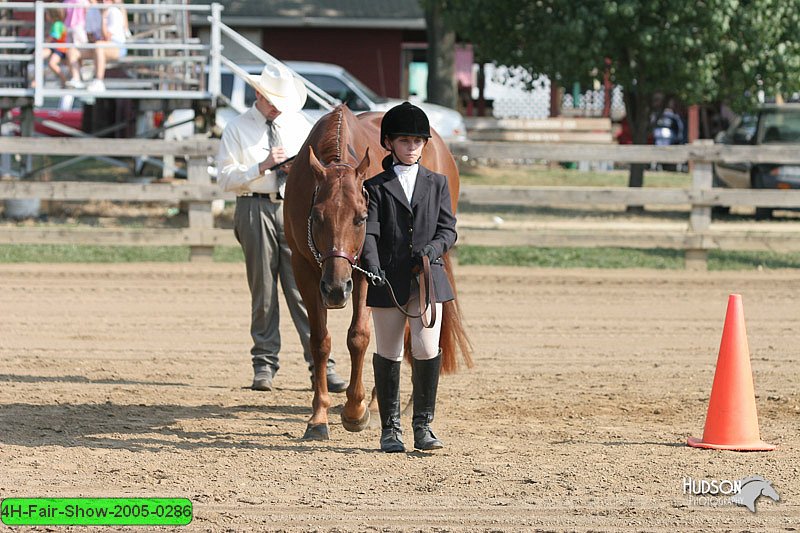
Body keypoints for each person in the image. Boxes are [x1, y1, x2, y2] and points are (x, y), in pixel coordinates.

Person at [216, 62, 347, 393]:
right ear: (258, 94)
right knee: (263, 290)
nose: (277, 107)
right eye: (272, 100)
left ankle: (321, 362)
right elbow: (225, 179)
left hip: (294, 208)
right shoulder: (236, 128)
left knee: (303, 289)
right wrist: (262, 166)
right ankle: (264, 363)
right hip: (254, 206)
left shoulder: (299, 125)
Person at [361, 102, 457, 453]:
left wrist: (432, 250)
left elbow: (449, 230)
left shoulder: (438, 183)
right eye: (404, 141)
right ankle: (390, 429)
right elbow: (369, 233)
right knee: (388, 351)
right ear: (389, 143)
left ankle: (423, 425)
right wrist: (373, 266)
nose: (411, 147)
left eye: (417, 141)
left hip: (427, 277)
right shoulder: (375, 186)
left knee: (427, 347)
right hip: (387, 277)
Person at [67, 0, 126, 92]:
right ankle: (76, 79)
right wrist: (95, 41)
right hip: (96, 45)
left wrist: (103, 17)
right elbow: (89, 35)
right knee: (72, 50)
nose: (103, 2)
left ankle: (99, 81)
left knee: (99, 46)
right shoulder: (91, 11)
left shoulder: (115, 12)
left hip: (116, 47)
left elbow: (107, 38)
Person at [41, 7, 68, 87]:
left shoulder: (57, 24)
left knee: (51, 63)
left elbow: (54, 37)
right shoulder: (56, 24)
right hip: (56, 48)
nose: (46, 16)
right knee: (40, 56)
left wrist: (45, 43)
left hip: (60, 49)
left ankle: (64, 80)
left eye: (47, 14)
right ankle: (38, 79)